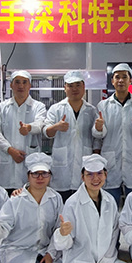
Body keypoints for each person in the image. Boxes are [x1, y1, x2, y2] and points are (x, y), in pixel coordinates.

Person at [92, 63, 132, 203]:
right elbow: (98, 135)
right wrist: (99, 128)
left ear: (130, 80)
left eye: (124, 77)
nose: (120, 80)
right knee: (109, 204)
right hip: (111, 162)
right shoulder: (103, 105)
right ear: (112, 81)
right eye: (117, 77)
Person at [42, 70, 98, 201]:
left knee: (83, 204)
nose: (74, 89)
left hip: (84, 163)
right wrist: (56, 127)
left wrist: (95, 158)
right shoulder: (56, 109)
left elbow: (96, 138)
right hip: (62, 168)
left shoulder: (91, 110)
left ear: (84, 87)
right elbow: (46, 132)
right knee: (61, 203)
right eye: (70, 86)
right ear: (65, 88)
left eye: (78, 85)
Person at [0, 70, 47, 193]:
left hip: (29, 163)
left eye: (24, 82)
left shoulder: (38, 107)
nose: (21, 86)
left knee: (29, 195)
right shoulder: (2, 107)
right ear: (11, 85)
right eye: (17, 82)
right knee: (8, 197)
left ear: (30, 85)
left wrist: (29, 128)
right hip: (8, 164)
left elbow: (40, 124)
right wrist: (10, 150)